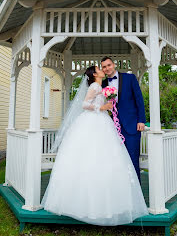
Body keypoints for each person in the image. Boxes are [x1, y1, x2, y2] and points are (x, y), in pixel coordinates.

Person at [40, 66, 149, 226]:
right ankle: (87, 203)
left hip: (103, 121)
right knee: (92, 156)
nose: (102, 70)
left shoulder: (102, 87)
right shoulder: (94, 86)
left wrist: (109, 105)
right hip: (93, 122)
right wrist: (102, 107)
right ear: (94, 74)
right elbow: (85, 104)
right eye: (99, 69)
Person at [101, 57, 146, 184]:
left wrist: (141, 120)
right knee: (116, 160)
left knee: (133, 159)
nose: (107, 68)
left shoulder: (129, 78)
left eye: (109, 65)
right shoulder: (103, 84)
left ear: (114, 65)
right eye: (104, 67)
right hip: (113, 128)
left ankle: (136, 190)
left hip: (132, 125)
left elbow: (139, 99)